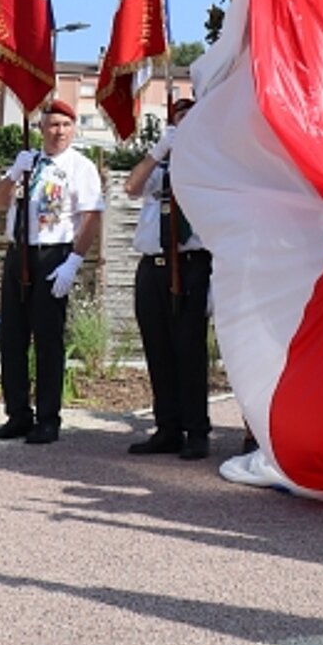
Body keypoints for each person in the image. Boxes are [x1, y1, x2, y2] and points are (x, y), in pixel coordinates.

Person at [0, 99, 103, 445]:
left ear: (74, 129)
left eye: (66, 125)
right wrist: (13, 174)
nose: (59, 132)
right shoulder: (28, 161)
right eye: (53, 125)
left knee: (48, 339)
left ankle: (48, 418)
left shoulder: (80, 167)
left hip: (53, 255)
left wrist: (74, 262)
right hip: (18, 252)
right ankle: (18, 414)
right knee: (12, 337)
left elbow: (91, 217)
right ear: (41, 129)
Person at [124, 95, 213, 458]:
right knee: (157, 349)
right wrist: (158, 151)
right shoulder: (158, 163)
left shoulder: (211, 162)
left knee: (190, 350)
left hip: (192, 264)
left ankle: (197, 430)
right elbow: (131, 187)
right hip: (153, 265)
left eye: (191, 117)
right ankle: (168, 428)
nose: (184, 122)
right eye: (179, 117)